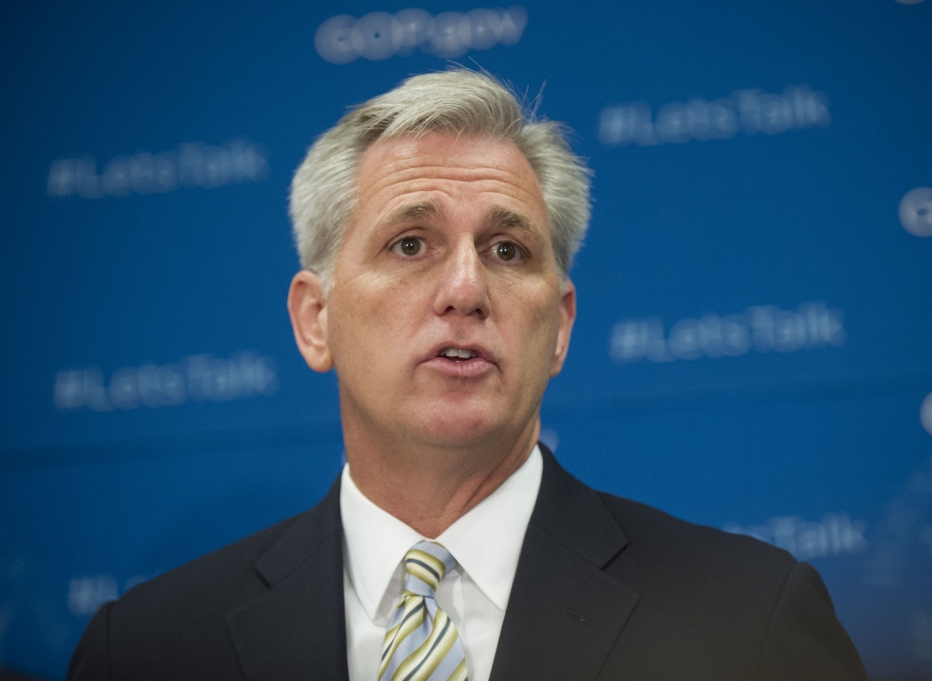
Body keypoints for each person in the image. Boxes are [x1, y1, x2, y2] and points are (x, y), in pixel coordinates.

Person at [68, 69, 867, 681]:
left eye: (507, 249)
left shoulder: (746, 621)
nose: (464, 289)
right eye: (410, 243)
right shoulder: (145, 647)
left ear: (559, 325)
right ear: (316, 319)